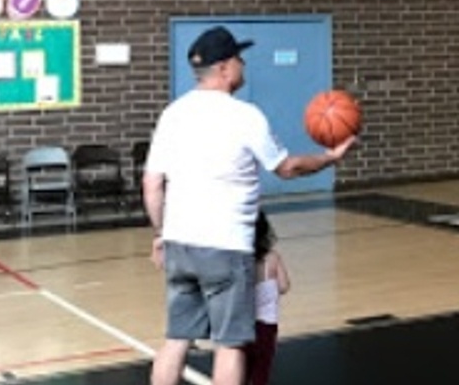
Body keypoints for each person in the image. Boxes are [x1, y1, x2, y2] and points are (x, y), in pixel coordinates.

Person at [143, 25, 355, 385]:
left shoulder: (172, 114)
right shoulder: (245, 116)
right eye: (239, 58)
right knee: (231, 345)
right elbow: (287, 168)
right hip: (225, 246)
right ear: (225, 67)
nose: (243, 64)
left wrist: (163, 233)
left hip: (180, 242)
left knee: (176, 339)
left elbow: (152, 184)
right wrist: (329, 159)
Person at [244, 211, 289, 385]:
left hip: (244, 326)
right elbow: (284, 286)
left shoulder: (242, 260)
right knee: (262, 370)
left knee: (242, 369)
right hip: (267, 327)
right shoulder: (273, 258)